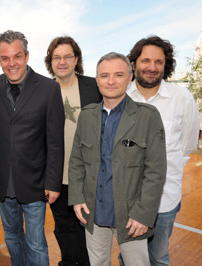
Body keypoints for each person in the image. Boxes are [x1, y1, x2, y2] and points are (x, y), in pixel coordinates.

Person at [68, 52, 167, 266]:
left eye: (118, 75)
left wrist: (144, 214)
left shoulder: (147, 116)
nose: (111, 81)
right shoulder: (86, 116)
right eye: (104, 76)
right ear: (97, 80)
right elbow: (76, 161)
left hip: (132, 216)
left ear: (130, 77)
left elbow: (156, 172)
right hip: (93, 213)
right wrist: (77, 198)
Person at [0, 30, 65, 266]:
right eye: (5, 58)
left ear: (27, 56)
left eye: (17, 56)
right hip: (4, 182)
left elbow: (55, 140)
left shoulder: (49, 88)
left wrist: (52, 182)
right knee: (12, 236)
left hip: (35, 183)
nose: (12, 63)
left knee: (36, 242)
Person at [127, 36, 200, 266]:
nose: (152, 67)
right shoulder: (121, 96)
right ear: (133, 63)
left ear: (165, 65)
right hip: (127, 198)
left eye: (158, 62)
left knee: (158, 258)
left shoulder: (182, 98)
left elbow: (187, 144)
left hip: (164, 199)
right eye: (145, 60)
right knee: (129, 257)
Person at [44, 36, 102, 266]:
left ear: (76, 58)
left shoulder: (93, 87)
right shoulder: (44, 90)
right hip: (57, 176)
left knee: (89, 228)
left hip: (89, 175)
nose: (62, 61)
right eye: (56, 57)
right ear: (50, 61)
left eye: (68, 56)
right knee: (64, 227)